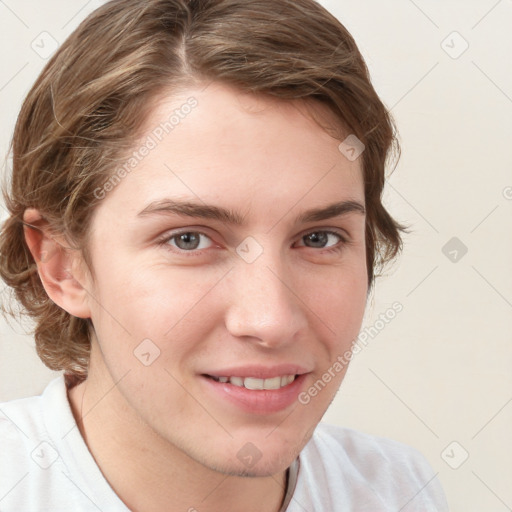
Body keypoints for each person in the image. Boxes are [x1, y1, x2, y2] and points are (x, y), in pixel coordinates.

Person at [0, 0, 448, 510]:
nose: (271, 321)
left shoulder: (396, 491)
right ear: (63, 267)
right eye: (188, 239)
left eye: (319, 238)